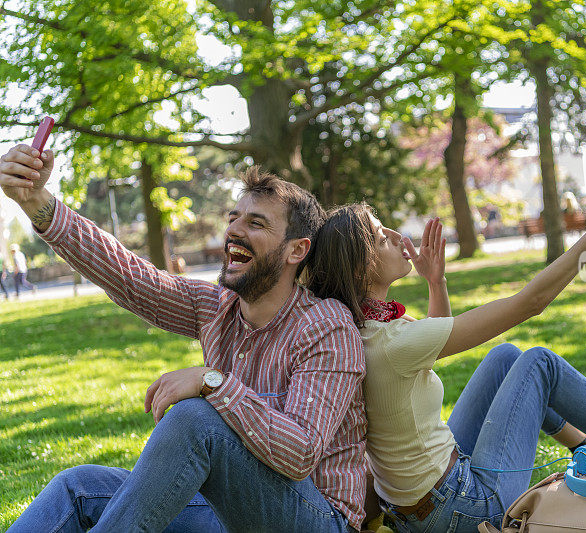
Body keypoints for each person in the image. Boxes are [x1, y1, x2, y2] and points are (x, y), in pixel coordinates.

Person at [305, 165, 586, 533]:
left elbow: (434, 341)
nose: (399, 237)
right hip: (460, 508)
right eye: (382, 237)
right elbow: (531, 302)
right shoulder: (392, 342)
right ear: (362, 267)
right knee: (539, 364)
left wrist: (435, 282)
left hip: (415, 508)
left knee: (506, 359)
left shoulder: (365, 325)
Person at [0, 144, 367, 533]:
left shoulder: (327, 326)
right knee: (79, 487)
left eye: (256, 224)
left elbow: (302, 452)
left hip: (318, 519)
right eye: (233, 218)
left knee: (197, 417)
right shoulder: (216, 308)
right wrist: (36, 199)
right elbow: (128, 275)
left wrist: (214, 383)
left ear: (297, 249)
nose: (234, 231)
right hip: (229, 513)